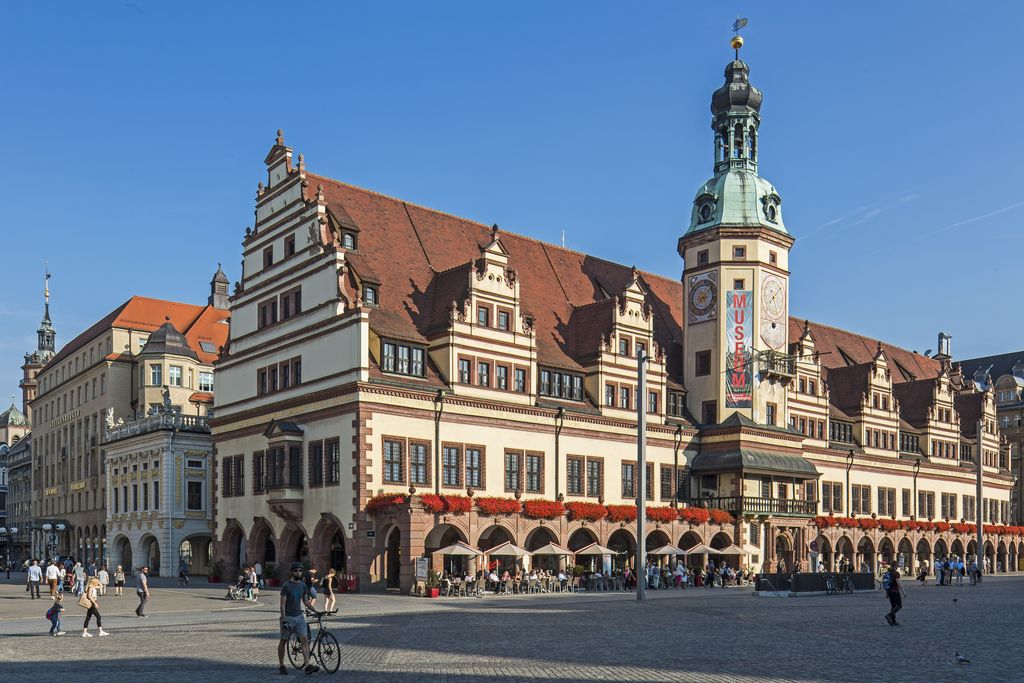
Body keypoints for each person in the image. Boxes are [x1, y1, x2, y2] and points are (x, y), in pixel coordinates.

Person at [278, 562, 319, 676]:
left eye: (300, 570)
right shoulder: (286, 586)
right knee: (283, 641)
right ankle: (281, 665)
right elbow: (282, 604)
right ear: (292, 572)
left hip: (299, 617)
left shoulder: (303, 585)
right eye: (296, 570)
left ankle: (307, 666)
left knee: (304, 639)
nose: (298, 572)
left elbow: (305, 601)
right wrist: (284, 619)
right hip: (288, 617)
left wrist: (315, 611)